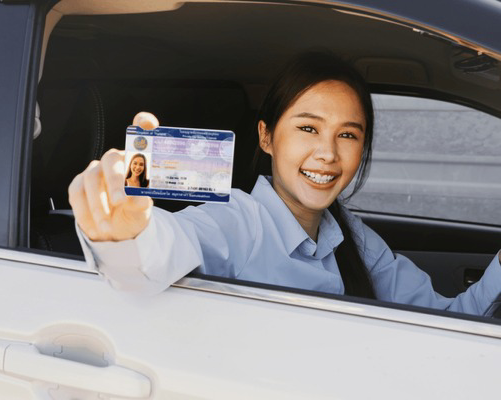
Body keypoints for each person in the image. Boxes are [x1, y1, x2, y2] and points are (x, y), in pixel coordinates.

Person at [68, 52, 501, 315]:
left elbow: (450, 318)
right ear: (266, 137)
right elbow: (156, 257)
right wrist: (124, 234)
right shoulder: (238, 222)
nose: (328, 153)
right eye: (308, 129)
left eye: (348, 135)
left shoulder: (353, 238)